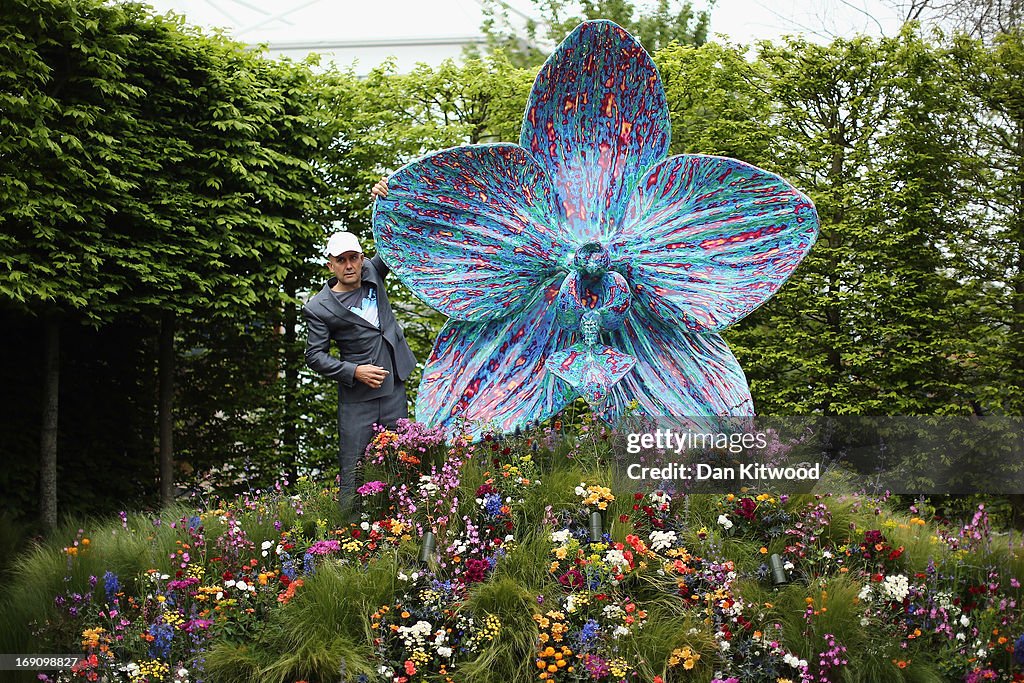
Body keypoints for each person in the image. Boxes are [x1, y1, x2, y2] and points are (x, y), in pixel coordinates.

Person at [303, 229, 416, 516]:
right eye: (341, 260)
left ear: (362, 258)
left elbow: (392, 235)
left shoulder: (373, 272)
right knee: (353, 467)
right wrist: (354, 371)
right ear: (330, 265)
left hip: (393, 387)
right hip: (358, 399)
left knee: (401, 459)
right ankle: (347, 535)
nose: (349, 265)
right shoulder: (319, 307)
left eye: (353, 258)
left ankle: (401, 523)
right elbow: (314, 356)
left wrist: (385, 194)